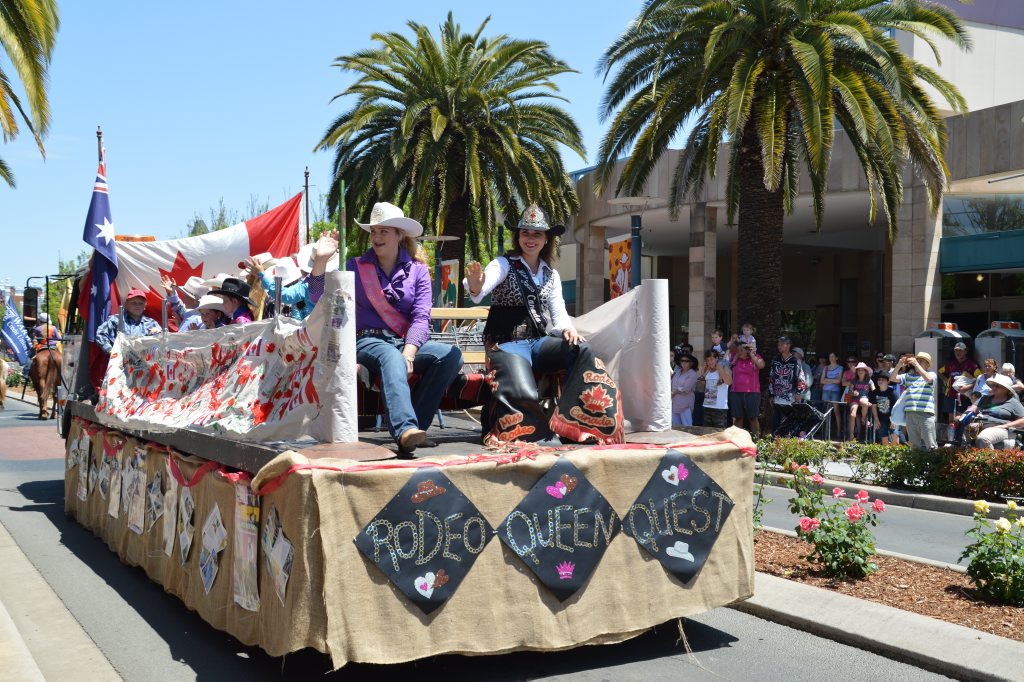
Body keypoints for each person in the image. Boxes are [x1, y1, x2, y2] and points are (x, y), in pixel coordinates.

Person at [466, 203, 622, 445]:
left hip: (537, 342)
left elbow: (558, 315)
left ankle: (577, 425)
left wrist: (569, 330)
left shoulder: (551, 274)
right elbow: (482, 287)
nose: (531, 238)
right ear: (518, 236)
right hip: (506, 344)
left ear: (546, 239)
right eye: (525, 232)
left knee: (581, 350)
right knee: (522, 391)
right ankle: (530, 437)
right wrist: (476, 283)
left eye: (537, 233)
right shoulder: (503, 264)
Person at [350, 202, 463, 455]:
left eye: (384, 231)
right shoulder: (354, 267)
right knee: (392, 357)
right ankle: (403, 430)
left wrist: (410, 351)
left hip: (403, 343)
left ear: (399, 235)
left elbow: (421, 317)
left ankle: (416, 430)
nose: (377, 237)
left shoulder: (419, 271)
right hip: (367, 342)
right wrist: (320, 263)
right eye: (374, 231)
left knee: (450, 356)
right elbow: (317, 295)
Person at [958, 373, 1024, 449]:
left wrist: (1005, 426)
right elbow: (970, 410)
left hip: (1001, 428)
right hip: (980, 425)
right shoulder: (985, 398)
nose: (994, 387)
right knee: (962, 439)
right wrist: (963, 417)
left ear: (1006, 389)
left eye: (997, 386)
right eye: (993, 385)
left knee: (983, 439)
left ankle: (990, 460)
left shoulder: (1013, 402)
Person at [889, 351, 937, 450]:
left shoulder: (931, 374)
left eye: (921, 361)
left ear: (927, 365)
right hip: (910, 413)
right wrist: (898, 366)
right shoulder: (908, 376)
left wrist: (916, 364)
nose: (918, 362)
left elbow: (929, 379)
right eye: (917, 360)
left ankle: (934, 464)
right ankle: (916, 464)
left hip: (926, 413)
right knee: (914, 445)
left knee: (931, 444)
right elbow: (892, 378)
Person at [95, 288, 162, 354]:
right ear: (127, 304)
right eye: (134, 303)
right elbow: (101, 333)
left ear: (145, 305)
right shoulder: (116, 319)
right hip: (120, 361)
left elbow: (163, 340)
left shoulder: (152, 323)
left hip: (145, 362)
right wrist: (110, 350)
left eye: (141, 303)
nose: (137, 305)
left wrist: (158, 333)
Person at [728, 340, 764, 436]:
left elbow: (761, 365)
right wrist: (736, 342)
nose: (738, 352)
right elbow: (728, 350)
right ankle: (737, 441)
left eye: (741, 350)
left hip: (752, 392)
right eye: (737, 350)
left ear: (746, 350)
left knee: (753, 418)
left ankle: (756, 441)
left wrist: (752, 354)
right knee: (738, 418)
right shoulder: (734, 358)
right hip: (736, 392)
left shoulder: (755, 358)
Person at [939, 341, 980, 421]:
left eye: (960, 350)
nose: (958, 352)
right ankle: (951, 433)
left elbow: (980, 378)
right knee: (951, 420)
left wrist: (968, 387)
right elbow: (940, 372)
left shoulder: (972, 364)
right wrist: (945, 380)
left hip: (963, 397)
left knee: (960, 420)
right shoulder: (950, 364)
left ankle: (959, 434)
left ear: (965, 351)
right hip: (950, 395)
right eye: (956, 350)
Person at [769, 336, 806, 408]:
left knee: (789, 419)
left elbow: (801, 378)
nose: (779, 347)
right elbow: (771, 378)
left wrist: (799, 393)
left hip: (790, 400)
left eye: (782, 344)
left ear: (788, 345)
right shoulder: (775, 360)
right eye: (778, 345)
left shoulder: (795, 361)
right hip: (777, 399)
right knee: (777, 419)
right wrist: (771, 394)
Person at [699, 349, 731, 428]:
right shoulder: (708, 371)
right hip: (707, 406)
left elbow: (729, 382)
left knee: (719, 434)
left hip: (719, 408)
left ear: (716, 358)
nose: (710, 362)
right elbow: (703, 384)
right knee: (707, 434)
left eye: (712, 359)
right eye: (708, 360)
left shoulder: (725, 367)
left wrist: (720, 369)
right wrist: (702, 371)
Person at [846, 362, 874, 441]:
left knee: (865, 402)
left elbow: (874, 391)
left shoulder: (869, 380)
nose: (860, 371)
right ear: (857, 372)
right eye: (859, 370)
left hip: (864, 397)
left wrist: (872, 400)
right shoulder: (854, 380)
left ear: (866, 371)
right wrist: (853, 392)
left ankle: (863, 419)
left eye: (862, 370)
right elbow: (849, 391)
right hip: (854, 398)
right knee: (852, 415)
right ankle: (851, 434)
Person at [869, 373, 898, 445]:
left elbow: (896, 407)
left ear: (888, 382)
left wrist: (894, 420)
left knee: (895, 439)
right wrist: (876, 419)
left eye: (883, 380)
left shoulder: (893, 393)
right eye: (879, 379)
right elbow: (874, 406)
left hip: (892, 418)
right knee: (884, 439)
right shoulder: (874, 393)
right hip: (881, 419)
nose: (880, 381)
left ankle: (896, 455)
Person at [670, 351, 698, 426]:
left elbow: (686, 388)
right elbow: (672, 384)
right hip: (675, 403)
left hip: (685, 405)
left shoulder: (693, 374)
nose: (684, 362)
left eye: (686, 361)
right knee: (675, 427)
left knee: (687, 426)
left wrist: (674, 392)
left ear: (691, 363)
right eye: (682, 360)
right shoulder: (678, 372)